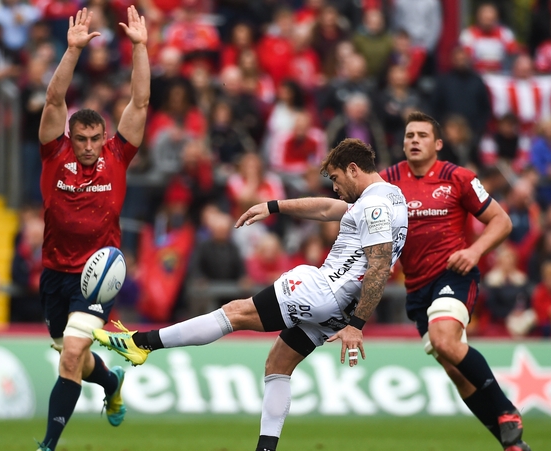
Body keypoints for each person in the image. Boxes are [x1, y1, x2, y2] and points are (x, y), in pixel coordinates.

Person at [94, 138, 408, 451]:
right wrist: (273, 206)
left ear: (353, 169)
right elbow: (328, 208)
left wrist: (357, 325)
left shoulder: (373, 206)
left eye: (337, 179)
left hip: (323, 289)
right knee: (278, 365)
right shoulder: (389, 197)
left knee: (234, 313)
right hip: (339, 305)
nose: (335, 187)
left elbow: (380, 267)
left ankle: (140, 343)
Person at [34, 7, 150, 451]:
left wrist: (140, 46)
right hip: (54, 273)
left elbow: (139, 102)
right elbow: (52, 102)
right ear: (71, 136)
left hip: (97, 276)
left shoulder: (118, 157)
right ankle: (110, 381)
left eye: (93, 139)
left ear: (104, 138)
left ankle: (47, 445)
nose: (86, 147)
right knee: (77, 360)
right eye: (79, 139)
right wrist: (72, 51)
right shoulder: (53, 153)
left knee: (68, 358)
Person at [379, 112, 529, 451]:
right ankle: (513, 445)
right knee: (456, 374)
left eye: (422, 135)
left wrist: (474, 251)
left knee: (444, 339)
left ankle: (507, 409)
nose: (414, 140)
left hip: (454, 274)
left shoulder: (457, 177)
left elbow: (501, 222)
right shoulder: (386, 182)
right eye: (409, 136)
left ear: (438, 144)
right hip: (416, 288)